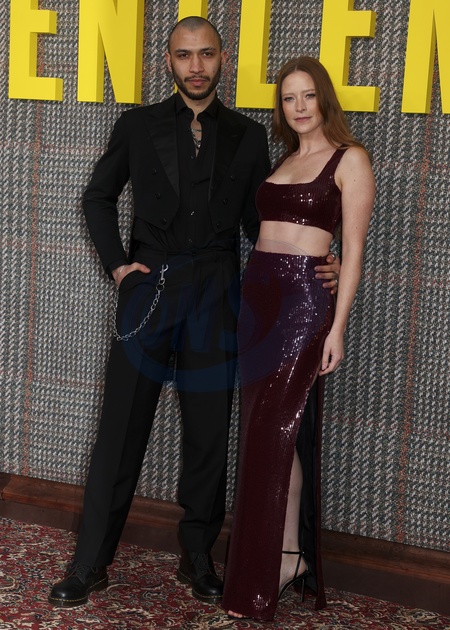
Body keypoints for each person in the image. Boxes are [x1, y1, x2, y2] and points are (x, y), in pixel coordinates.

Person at [48, 21, 340, 609]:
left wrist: (316, 258)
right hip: (150, 291)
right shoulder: (137, 125)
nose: (196, 65)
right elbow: (97, 196)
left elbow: (262, 225)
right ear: (169, 61)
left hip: (219, 295)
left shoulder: (249, 135)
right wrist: (118, 267)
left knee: (208, 435)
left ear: (222, 57)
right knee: (121, 429)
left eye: (206, 54)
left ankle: (198, 557)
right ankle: (89, 563)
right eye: (184, 56)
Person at [222, 56, 375, 622]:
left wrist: (337, 328)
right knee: (263, 435)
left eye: (308, 95)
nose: (299, 106)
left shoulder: (350, 158)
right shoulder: (284, 159)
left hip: (304, 303)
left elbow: (352, 252)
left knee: (274, 431)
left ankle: (277, 566)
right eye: (289, 98)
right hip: (256, 302)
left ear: (324, 98)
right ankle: (288, 555)